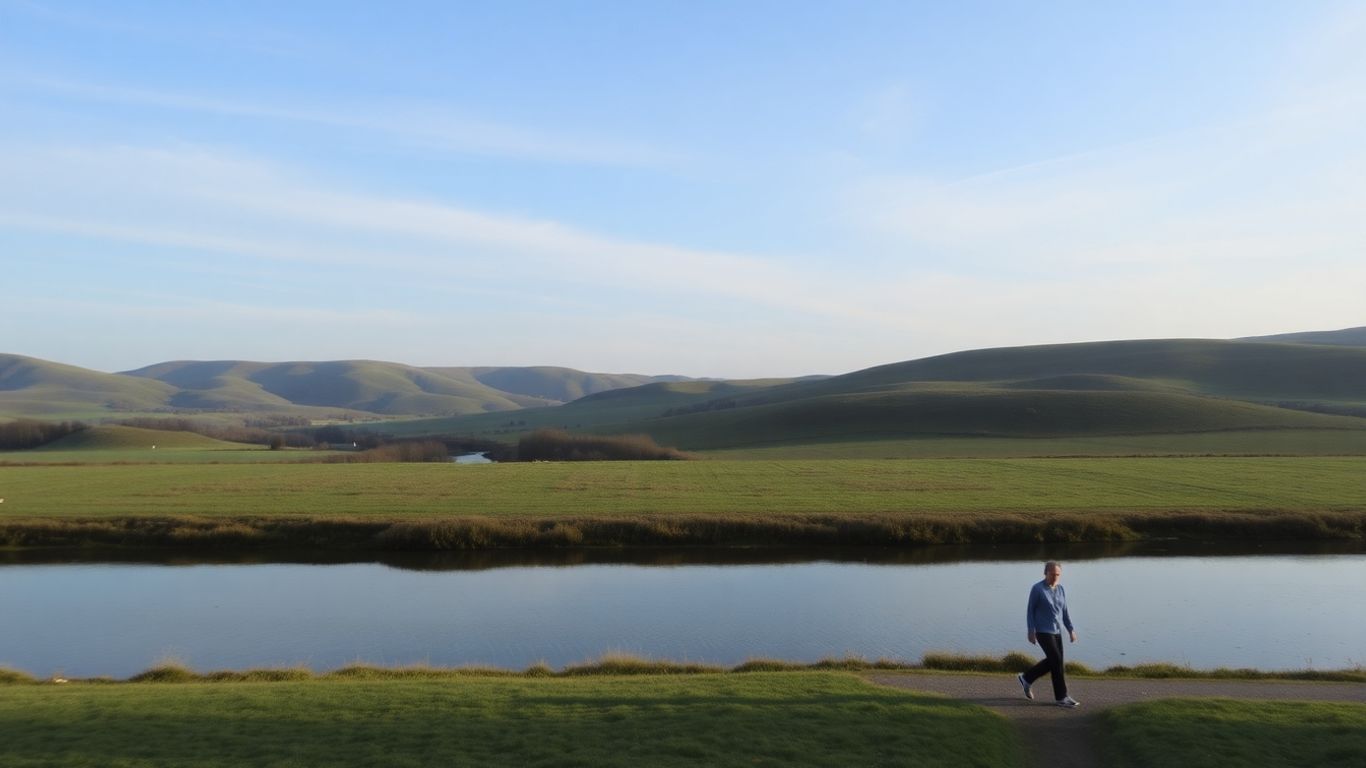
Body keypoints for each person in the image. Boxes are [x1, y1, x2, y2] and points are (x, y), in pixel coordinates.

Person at [1017, 560, 1080, 708]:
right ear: (1045, 573)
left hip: (1057, 631)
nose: (1055, 577)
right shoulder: (1037, 589)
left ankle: (1026, 678)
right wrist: (1031, 630)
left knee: (1056, 662)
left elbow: (1064, 612)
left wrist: (1071, 630)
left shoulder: (1061, 589)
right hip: (1042, 631)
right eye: (1052, 574)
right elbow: (1030, 611)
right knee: (1056, 661)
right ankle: (1061, 697)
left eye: (1057, 575)